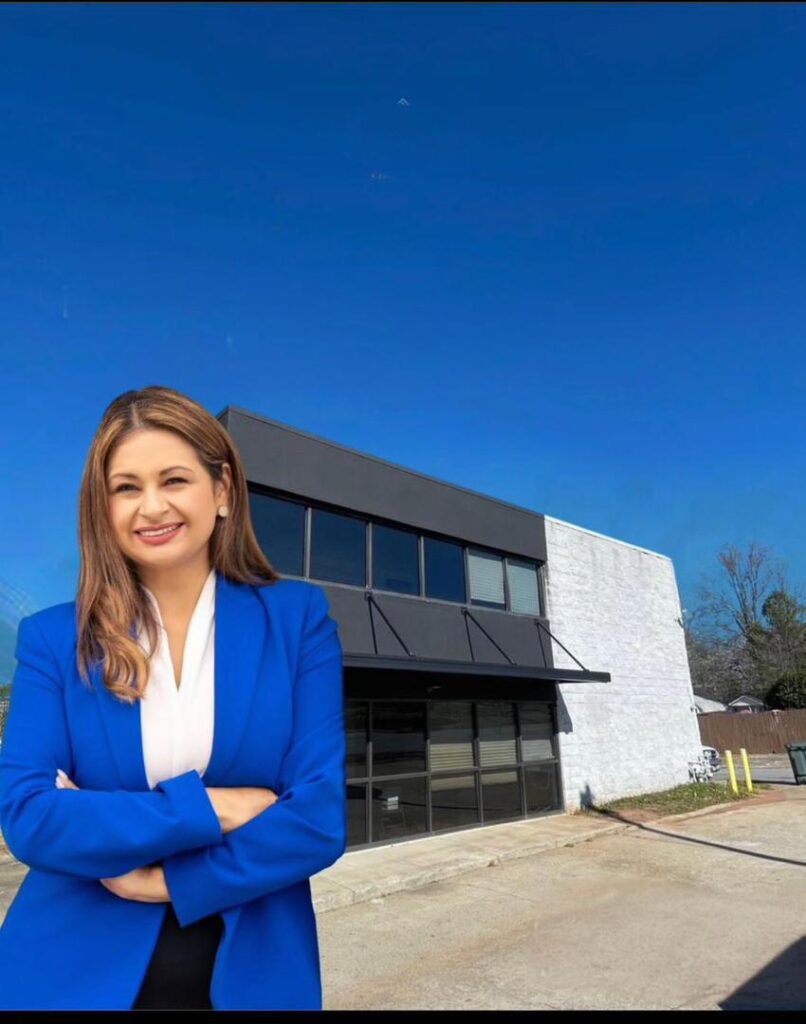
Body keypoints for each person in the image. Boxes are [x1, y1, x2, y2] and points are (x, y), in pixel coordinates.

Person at [0, 385, 347, 1010]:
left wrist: (156, 882)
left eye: (174, 480)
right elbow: (30, 815)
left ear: (221, 491)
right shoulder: (54, 639)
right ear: (102, 507)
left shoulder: (298, 621)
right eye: (126, 487)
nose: (151, 506)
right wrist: (217, 807)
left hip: (255, 970)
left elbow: (317, 821)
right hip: (68, 971)